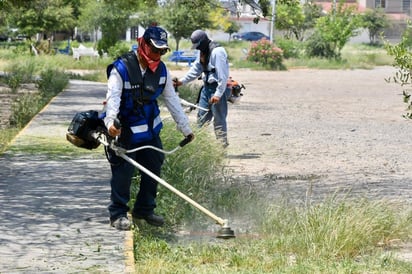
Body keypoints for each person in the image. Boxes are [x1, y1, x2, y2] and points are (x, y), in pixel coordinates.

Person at [103, 26, 194, 231]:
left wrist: (185, 128)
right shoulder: (122, 68)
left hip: (150, 131)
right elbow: (113, 98)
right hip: (124, 131)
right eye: (154, 49)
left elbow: (172, 100)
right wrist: (110, 124)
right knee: (123, 172)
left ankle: (144, 210)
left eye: (162, 51)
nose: (157, 55)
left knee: (154, 167)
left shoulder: (162, 71)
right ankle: (117, 214)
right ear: (143, 44)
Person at [174, 30, 230, 147]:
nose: (197, 48)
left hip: (217, 89)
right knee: (201, 118)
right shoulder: (202, 52)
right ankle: (199, 146)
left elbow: (223, 76)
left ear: (203, 41)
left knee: (219, 120)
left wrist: (218, 94)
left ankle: (222, 147)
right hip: (206, 89)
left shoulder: (217, 51)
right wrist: (181, 81)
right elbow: (196, 70)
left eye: (198, 45)